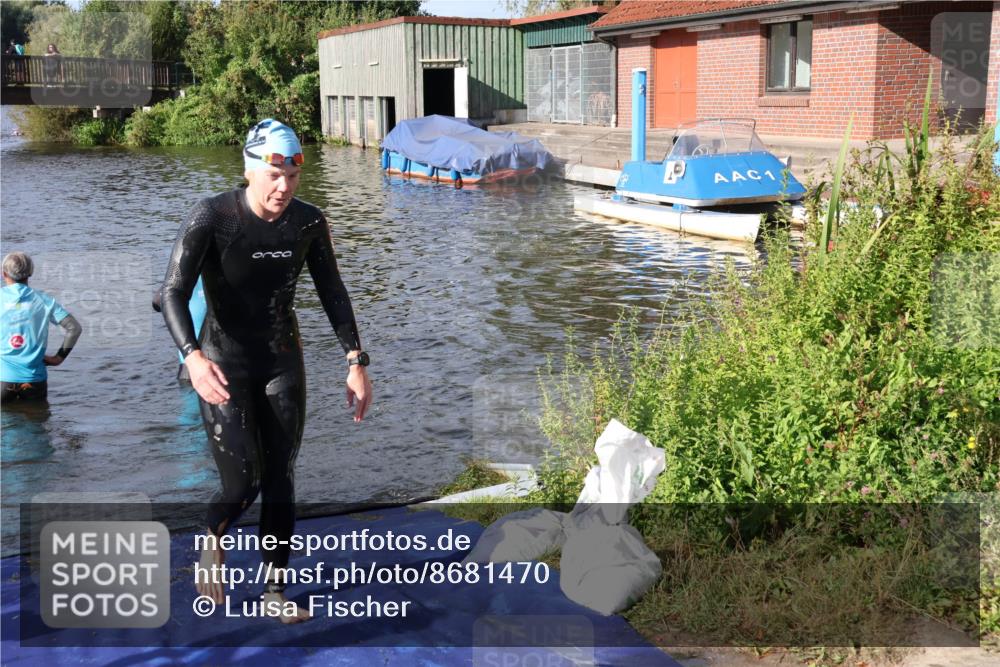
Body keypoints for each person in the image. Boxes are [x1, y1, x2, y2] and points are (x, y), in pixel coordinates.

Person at [160, 119, 372, 623]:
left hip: (281, 358)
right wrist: (192, 357)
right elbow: (170, 290)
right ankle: (214, 534)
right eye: (274, 176)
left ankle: (274, 589)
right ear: (250, 169)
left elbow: (332, 291)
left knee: (281, 477)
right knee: (242, 485)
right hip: (221, 363)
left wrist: (355, 362)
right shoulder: (212, 217)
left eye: (293, 178)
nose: (283, 188)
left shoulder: (307, 222)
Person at [1, 252, 82, 403]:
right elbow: (74, 328)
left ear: (3, 272)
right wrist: (58, 358)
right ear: (30, 273)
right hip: (34, 380)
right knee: (36, 422)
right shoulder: (43, 300)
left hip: (2, 381)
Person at [152, 276, 206, 384]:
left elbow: (157, 302)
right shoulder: (224, 274)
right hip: (216, 363)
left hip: (187, 366)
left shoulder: (182, 276)